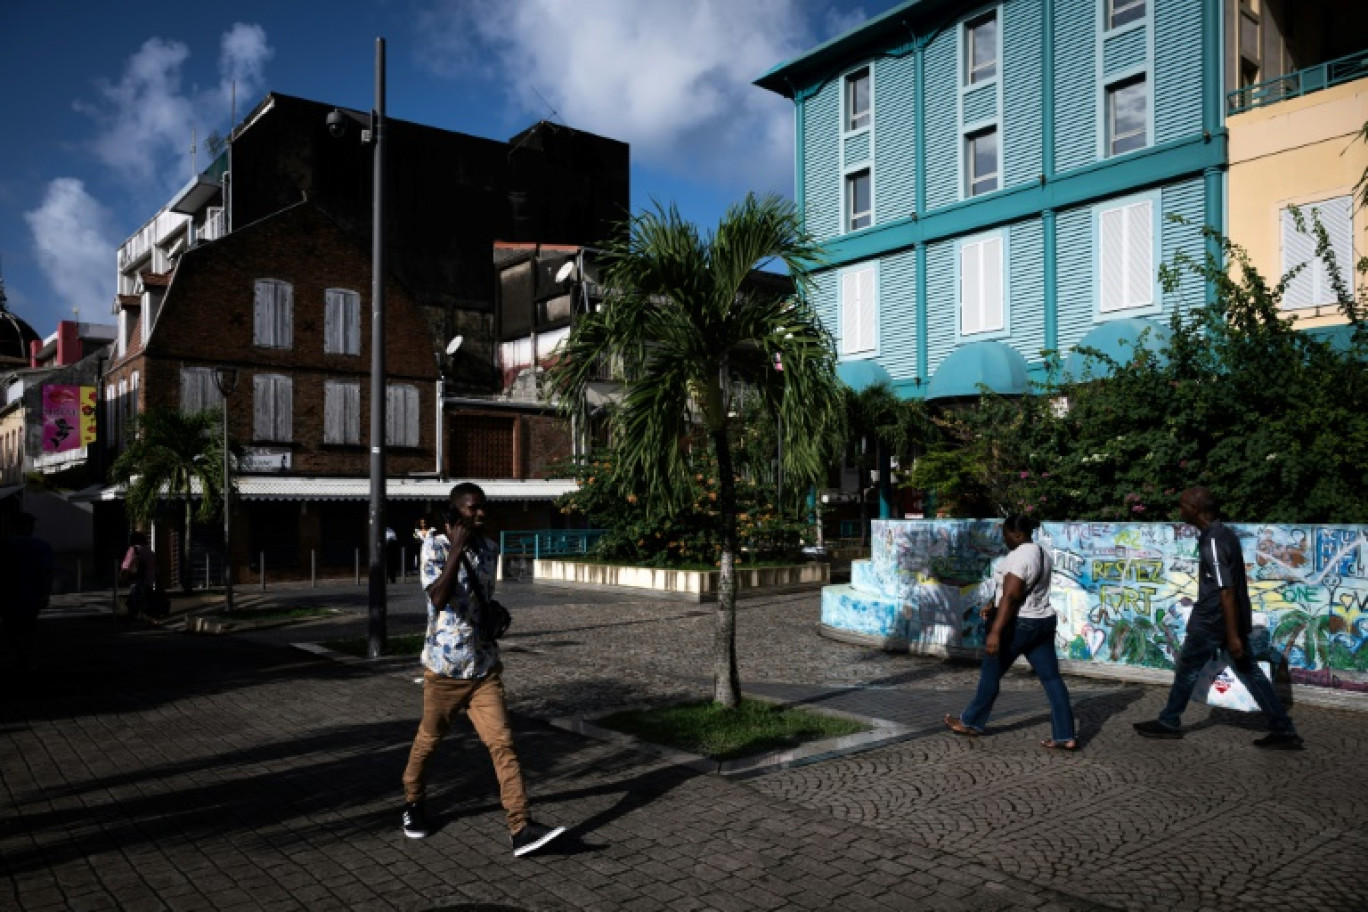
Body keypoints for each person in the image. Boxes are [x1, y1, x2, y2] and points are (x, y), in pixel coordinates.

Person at [400, 482, 566, 855]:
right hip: (445, 668)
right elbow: (439, 599)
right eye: (473, 508)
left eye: (483, 507)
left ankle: (520, 827)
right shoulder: (434, 546)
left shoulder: (490, 550)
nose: (481, 514)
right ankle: (413, 801)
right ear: (455, 510)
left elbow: (481, 598)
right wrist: (456, 547)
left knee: (503, 744)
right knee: (429, 740)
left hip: (484, 668)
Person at [1134, 487, 1303, 749]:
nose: (1180, 510)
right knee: (1249, 671)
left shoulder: (1213, 540)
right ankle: (1283, 728)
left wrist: (1233, 635)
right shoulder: (1223, 535)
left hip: (1213, 621)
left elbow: (1226, 590)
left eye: (1183, 505)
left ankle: (1169, 721)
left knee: (1188, 669)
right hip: (1225, 619)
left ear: (1196, 510)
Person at [945, 513, 1077, 750]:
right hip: (1043, 621)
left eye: (1005, 534)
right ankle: (1065, 735)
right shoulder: (1042, 554)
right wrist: (992, 603)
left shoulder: (1018, 557)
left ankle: (970, 722)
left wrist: (995, 632)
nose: (1004, 538)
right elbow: (1015, 592)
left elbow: (1012, 596)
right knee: (1052, 679)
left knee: (990, 673)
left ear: (1017, 534)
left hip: (1019, 625)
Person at [0, 513, 54, 673]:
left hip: (9, 595)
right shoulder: (42, 546)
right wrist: (46, 593)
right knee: (28, 628)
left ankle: (22, 658)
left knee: (12, 629)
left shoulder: (6, 546)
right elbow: (47, 572)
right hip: (32, 594)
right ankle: (26, 658)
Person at [120, 531, 156, 621]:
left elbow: (126, 566)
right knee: (144, 602)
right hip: (149, 582)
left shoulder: (133, 550)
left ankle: (135, 619)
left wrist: (122, 578)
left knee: (134, 602)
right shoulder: (150, 552)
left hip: (137, 581)